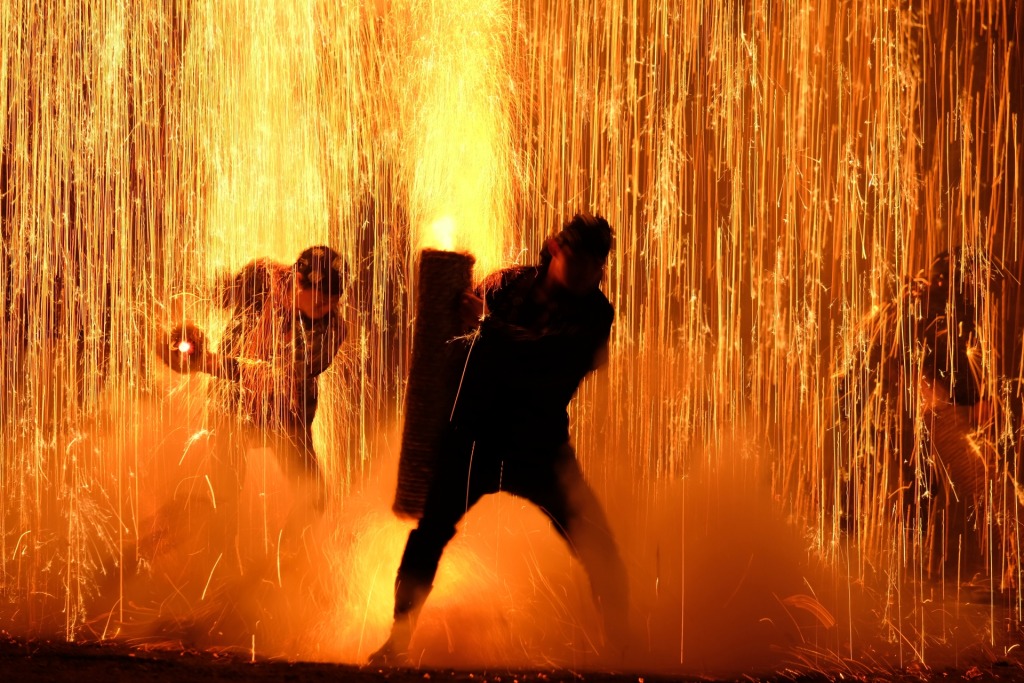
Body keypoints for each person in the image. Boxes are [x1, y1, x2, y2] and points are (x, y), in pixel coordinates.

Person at [370, 214, 628, 665]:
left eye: (595, 262)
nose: (586, 270)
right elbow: (456, 337)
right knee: (429, 535)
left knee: (598, 545)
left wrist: (484, 325)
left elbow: (543, 358)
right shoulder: (507, 285)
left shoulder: (595, 315)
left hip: (538, 447)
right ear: (555, 249)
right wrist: (450, 308)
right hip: (475, 439)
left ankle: (622, 648)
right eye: (577, 257)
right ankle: (398, 640)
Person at [156, 245, 347, 554]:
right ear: (297, 280)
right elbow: (219, 296)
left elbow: (276, 376)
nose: (326, 308)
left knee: (313, 499)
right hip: (230, 405)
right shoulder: (261, 276)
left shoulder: (332, 330)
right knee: (225, 495)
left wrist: (207, 363)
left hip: (286, 415)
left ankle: (284, 561)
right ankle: (218, 562)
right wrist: (179, 331)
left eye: (333, 302)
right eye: (321, 300)